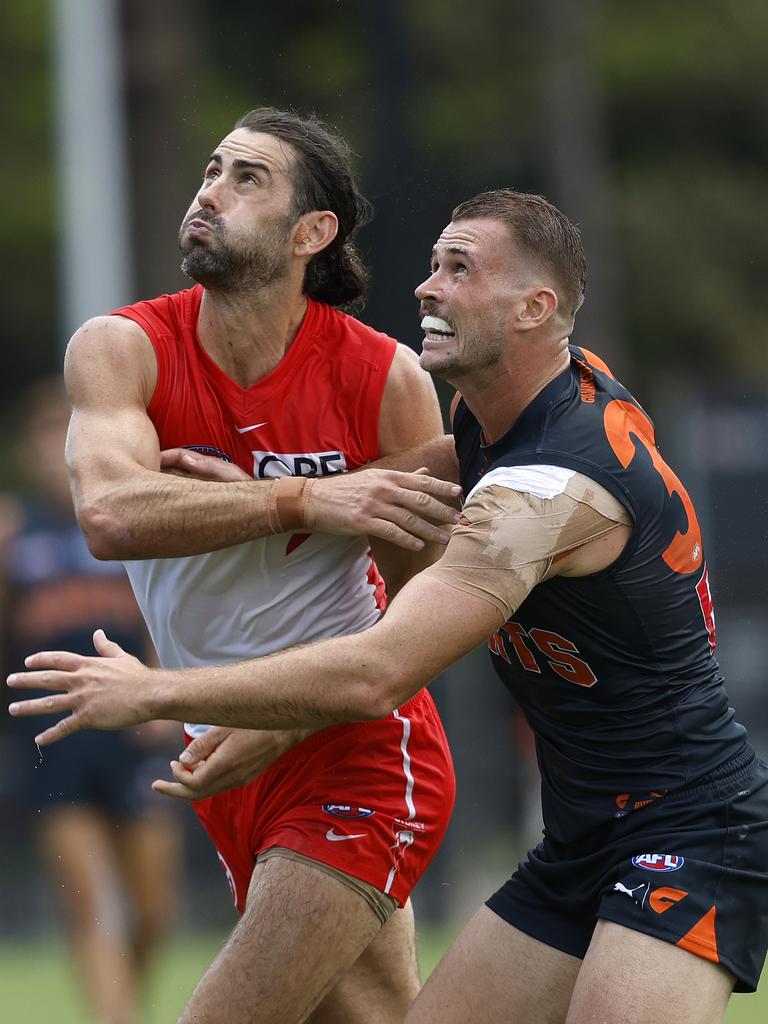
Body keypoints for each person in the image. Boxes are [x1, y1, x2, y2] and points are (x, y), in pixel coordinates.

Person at [12, 187, 768, 1024]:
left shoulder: (543, 491)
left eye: (460, 270)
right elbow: (404, 480)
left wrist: (150, 693)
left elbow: (378, 673)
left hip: (694, 833)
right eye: (433, 263)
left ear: (535, 308)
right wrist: (275, 494)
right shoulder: (521, 411)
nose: (425, 286)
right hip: (582, 839)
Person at [12, 108, 462, 1024]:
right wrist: (302, 497)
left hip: (356, 753)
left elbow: (429, 617)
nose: (210, 190)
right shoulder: (122, 348)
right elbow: (110, 511)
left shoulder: (386, 381)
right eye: (212, 169)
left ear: (312, 234)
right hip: (226, 761)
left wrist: (278, 723)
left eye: (247, 178)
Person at [0, 378, 181, 1024]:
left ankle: (122, 1009)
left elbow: (169, 616)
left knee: (153, 913)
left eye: (68, 434)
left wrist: (161, 691)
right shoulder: (15, 532)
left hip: (132, 729)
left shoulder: (127, 519)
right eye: (47, 435)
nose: (58, 449)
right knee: (91, 904)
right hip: (53, 737)